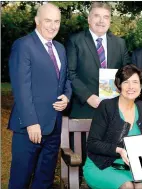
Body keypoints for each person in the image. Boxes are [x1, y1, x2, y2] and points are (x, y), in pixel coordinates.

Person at [8, 3, 72, 188]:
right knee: (20, 180)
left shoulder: (60, 48)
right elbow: (21, 87)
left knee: (44, 180)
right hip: (29, 128)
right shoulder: (23, 45)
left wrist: (66, 97)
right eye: (48, 21)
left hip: (53, 127)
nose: (53, 26)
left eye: (57, 21)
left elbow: (66, 79)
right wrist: (31, 122)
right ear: (37, 21)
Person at [83, 64, 142, 189]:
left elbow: (136, 142)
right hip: (101, 165)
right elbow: (92, 143)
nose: (131, 87)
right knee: (127, 186)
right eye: (126, 82)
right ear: (119, 86)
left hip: (128, 167)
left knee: (141, 186)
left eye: (135, 82)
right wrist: (118, 150)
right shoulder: (107, 106)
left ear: (140, 86)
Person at [67, 2, 130, 119]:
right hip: (85, 109)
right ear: (89, 19)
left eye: (105, 17)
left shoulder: (120, 43)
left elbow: (127, 73)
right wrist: (88, 97)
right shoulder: (75, 41)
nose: (101, 21)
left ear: (110, 20)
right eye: (97, 16)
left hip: (115, 110)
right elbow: (70, 73)